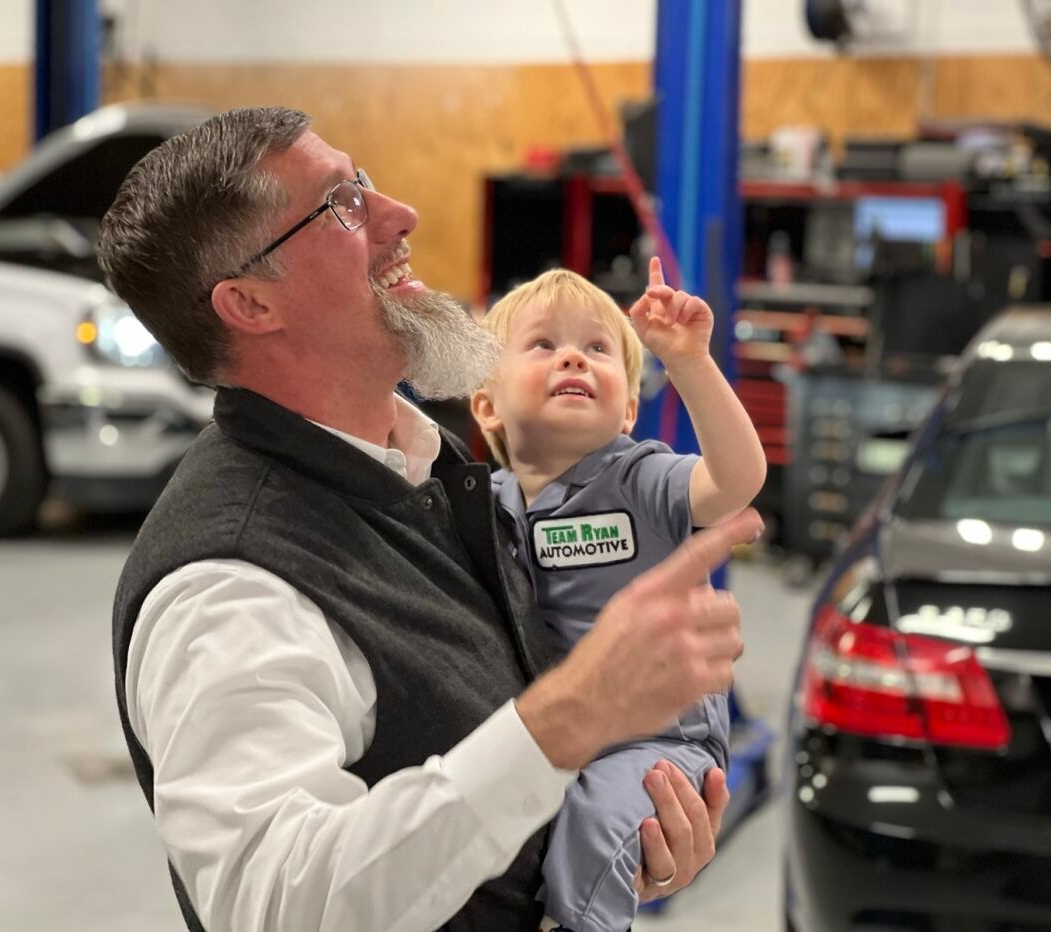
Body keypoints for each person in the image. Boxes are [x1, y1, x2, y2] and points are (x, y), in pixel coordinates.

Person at [97, 105, 762, 932]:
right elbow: (274, 902)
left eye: (364, 182)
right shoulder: (230, 584)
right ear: (251, 304)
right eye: (340, 205)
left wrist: (615, 829)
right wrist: (571, 716)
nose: (398, 214)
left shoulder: (426, 469)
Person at [470, 266, 767, 931]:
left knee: (596, 824)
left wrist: (687, 363)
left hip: (653, 741)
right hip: (553, 726)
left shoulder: (641, 479)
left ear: (627, 409)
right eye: (542, 344)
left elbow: (737, 478)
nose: (573, 355)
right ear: (486, 404)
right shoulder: (482, 508)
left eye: (597, 348)